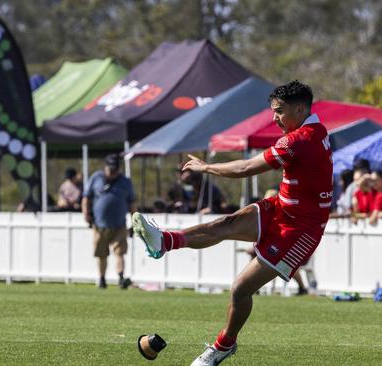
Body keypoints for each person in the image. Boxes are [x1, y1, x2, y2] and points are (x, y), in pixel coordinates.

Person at [133, 81, 333, 365]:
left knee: (240, 289)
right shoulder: (317, 129)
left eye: (279, 111)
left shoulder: (299, 140)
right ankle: (165, 241)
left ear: (300, 109)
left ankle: (223, 346)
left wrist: (206, 168)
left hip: (300, 228)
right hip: (282, 207)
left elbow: (247, 167)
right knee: (225, 224)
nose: (274, 118)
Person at [82, 154, 136, 290]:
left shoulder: (125, 182)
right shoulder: (96, 178)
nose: (113, 172)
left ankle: (121, 278)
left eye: (115, 169)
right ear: (105, 167)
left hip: (120, 224)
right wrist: (86, 214)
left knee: (120, 252)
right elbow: (86, 198)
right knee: (101, 254)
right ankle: (101, 279)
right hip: (99, 224)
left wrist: (134, 222)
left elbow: (132, 203)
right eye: (110, 169)